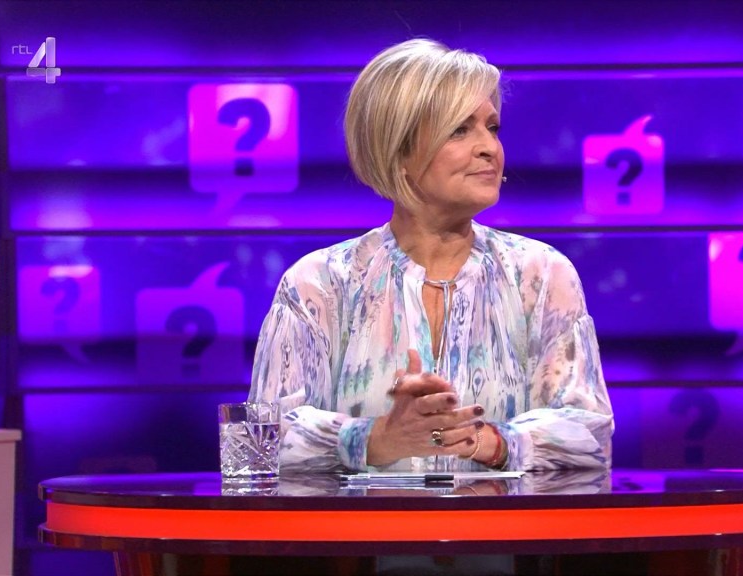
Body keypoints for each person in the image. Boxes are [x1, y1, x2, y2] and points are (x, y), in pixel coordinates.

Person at [249, 38, 613, 473]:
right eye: (460, 130)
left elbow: (590, 434)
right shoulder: (320, 284)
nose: (489, 147)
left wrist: (488, 440)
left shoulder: (541, 274)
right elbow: (265, 437)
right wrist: (374, 439)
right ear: (398, 151)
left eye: (492, 128)